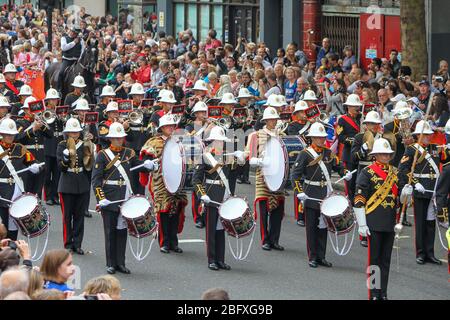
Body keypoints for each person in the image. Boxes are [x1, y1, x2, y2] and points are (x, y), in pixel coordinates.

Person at [92, 122, 155, 274]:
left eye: (121, 138)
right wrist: (100, 198)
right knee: (110, 231)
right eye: (116, 138)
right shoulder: (102, 155)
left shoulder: (129, 152)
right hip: (109, 197)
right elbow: (96, 179)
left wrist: (148, 164)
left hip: (125, 196)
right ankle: (110, 263)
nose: (119, 140)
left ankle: (120, 262)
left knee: (122, 231)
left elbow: (138, 165)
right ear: (111, 138)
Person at [292, 122, 352, 268]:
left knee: (323, 226)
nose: (321, 140)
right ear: (312, 138)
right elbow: (295, 175)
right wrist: (299, 191)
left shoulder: (328, 153)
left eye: (322, 137)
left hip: (325, 193)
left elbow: (339, 166)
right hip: (310, 193)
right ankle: (312, 256)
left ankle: (321, 256)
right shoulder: (305, 154)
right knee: (312, 227)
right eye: (318, 137)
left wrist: (346, 173)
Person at [193, 126, 244, 270]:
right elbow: (196, 180)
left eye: (222, 141)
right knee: (211, 230)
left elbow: (235, 174)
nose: (220, 143)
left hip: (225, 195)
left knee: (221, 229)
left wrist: (241, 159)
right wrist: (202, 194)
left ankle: (220, 259)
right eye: (217, 141)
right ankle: (212, 259)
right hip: (211, 195)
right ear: (212, 141)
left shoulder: (228, 155)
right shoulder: (204, 156)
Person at [354, 138, 398, 300]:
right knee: (374, 261)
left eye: (388, 154)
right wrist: (362, 224)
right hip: (373, 222)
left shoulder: (395, 172)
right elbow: (359, 199)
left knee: (385, 261)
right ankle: (374, 292)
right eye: (383, 154)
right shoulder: (367, 173)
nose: (386, 157)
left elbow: (399, 199)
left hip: (389, 223)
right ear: (376, 155)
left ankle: (383, 293)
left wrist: (407, 192)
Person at [140, 114, 187, 254]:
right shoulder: (153, 142)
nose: (171, 128)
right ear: (162, 128)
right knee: (164, 211)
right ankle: (164, 242)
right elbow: (145, 160)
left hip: (178, 181)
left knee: (176, 210)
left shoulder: (179, 141)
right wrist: (149, 166)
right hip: (161, 181)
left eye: (172, 126)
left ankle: (174, 241)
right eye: (168, 126)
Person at [398, 120, 442, 266]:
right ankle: (421, 253)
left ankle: (430, 253)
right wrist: (414, 183)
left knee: (430, 223)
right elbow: (403, 169)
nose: (428, 137)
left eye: (429, 134)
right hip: (420, 189)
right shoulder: (411, 149)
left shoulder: (435, 148)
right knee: (421, 223)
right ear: (418, 135)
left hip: (433, 190)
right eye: (425, 135)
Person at [246, 107, 285, 251]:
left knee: (278, 211)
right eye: (272, 119)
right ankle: (265, 239)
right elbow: (250, 157)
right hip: (263, 176)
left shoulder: (281, 134)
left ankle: (275, 239)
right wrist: (261, 161)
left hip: (278, 176)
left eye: (275, 119)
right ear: (266, 120)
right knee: (263, 210)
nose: (274, 121)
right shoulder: (256, 135)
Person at [56, 118, 94, 255]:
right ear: (67, 133)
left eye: (76, 132)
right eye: (71, 132)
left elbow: (89, 166)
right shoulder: (62, 145)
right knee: (67, 216)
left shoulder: (85, 145)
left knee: (79, 216)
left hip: (81, 183)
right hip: (67, 183)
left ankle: (77, 244)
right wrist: (65, 160)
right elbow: (60, 167)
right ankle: (68, 243)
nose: (74, 134)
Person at [0, 118, 40, 240]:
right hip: (1, 192)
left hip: (16, 192)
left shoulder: (20, 148)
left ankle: (12, 254)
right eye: (7, 134)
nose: (10, 137)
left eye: (12, 135)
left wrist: (36, 167)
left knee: (13, 229)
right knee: (2, 228)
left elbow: (34, 162)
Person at [351, 110, 384, 247]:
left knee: (377, 203)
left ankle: (376, 230)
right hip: (365, 171)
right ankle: (363, 234)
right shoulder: (359, 137)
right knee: (362, 203)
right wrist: (363, 149)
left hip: (379, 173)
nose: (374, 127)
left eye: (376, 124)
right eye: (371, 124)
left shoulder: (382, 138)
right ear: (366, 125)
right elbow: (353, 158)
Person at [15, 96, 52, 197]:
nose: (33, 112)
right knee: (27, 190)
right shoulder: (20, 122)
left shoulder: (39, 122)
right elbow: (17, 138)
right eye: (31, 110)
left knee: (37, 192)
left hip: (40, 159)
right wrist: (32, 129)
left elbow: (50, 135)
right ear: (25, 110)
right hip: (27, 161)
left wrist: (41, 124)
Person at [336, 94, 362, 202]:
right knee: (350, 184)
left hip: (361, 154)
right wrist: (355, 141)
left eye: (357, 106)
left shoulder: (361, 118)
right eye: (353, 105)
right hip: (349, 155)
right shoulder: (342, 120)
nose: (357, 108)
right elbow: (340, 137)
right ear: (348, 107)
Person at [288, 100, 311, 227]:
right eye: (301, 112)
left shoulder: (313, 123)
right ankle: (300, 215)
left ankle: (310, 213)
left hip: (313, 156)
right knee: (299, 185)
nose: (304, 114)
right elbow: (296, 139)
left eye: (305, 111)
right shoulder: (292, 126)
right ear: (296, 113)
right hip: (300, 157)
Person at [43, 88, 64, 206]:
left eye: (56, 99)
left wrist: (62, 118)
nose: (55, 101)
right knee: (47, 174)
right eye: (52, 99)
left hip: (58, 144)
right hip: (48, 145)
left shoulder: (60, 111)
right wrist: (52, 114)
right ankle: (48, 196)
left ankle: (55, 196)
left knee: (57, 173)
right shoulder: (45, 112)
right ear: (48, 100)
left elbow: (63, 127)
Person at [57, 26, 85, 92]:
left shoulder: (81, 41)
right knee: (61, 72)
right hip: (67, 60)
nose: (73, 34)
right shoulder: (64, 38)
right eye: (72, 32)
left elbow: (82, 51)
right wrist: (74, 43)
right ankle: (59, 89)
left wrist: (80, 58)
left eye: (75, 33)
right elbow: (64, 48)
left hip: (76, 61)